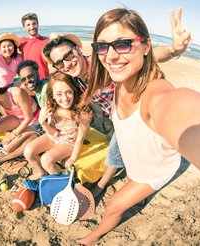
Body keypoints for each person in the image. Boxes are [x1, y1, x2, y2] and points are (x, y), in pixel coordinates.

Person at [76, 8, 200, 245]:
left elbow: (176, 109)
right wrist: (174, 49)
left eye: (124, 44)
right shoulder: (120, 76)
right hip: (137, 161)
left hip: (155, 170)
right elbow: (153, 56)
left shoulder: (154, 92)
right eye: (103, 46)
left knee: (114, 206)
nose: (112, 56)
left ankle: (93, 237)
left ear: (145, 46)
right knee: (129, 178)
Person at [42, 7, 192, 197]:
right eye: (59, 63)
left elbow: (149, 56)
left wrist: (173, 50)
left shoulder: (102, 62)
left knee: (117, 149)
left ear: (78, 49)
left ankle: (102, 185)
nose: (67, 64)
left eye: (69, 56)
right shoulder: (73, 80)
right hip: (114, 116)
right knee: (127, 152)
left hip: (133, 113)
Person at [23, 71, 92, 180]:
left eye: (68, 92)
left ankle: (59, 178)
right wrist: (43, 122)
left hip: (69, 143)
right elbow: (52, 132)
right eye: (59, 94)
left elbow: (80, 139)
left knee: (46, 159)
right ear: (53, 95)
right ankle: (42, 172)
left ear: (74, 90)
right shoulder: (51, 105)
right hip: (54, 137)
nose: (65, 98)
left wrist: (72, 158)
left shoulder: (83, 111)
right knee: (28, 151)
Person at [0, 13, 50, 79]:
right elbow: (2, 40)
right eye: (28, 25)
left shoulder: (47, 41)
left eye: (34, 23)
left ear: (38, 24)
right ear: (24, 27)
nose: (32, 27)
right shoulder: (22, 42)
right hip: (28, 80)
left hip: (44, 79)